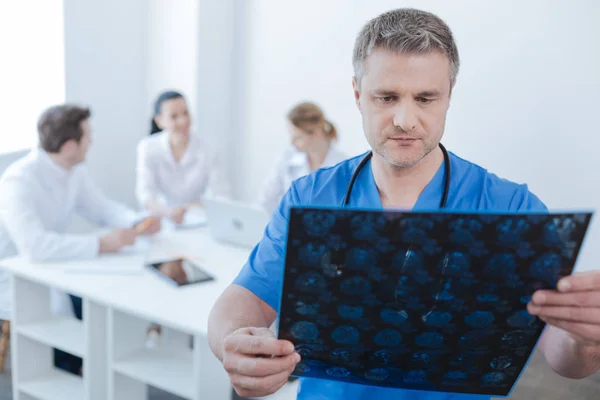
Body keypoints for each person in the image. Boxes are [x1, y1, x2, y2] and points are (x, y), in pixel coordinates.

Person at [207, 8, 600, 400]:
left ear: (449, 96)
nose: (405, 119)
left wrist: (585, 337)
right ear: (358, 94)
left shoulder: (512, 209)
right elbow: (245, 299)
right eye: (387, 97)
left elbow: (565, 360)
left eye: (425, 98)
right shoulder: (310, 197)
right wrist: (233, 342)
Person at [0, 104, 161, 374]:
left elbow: (102, 209)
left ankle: (105, 369)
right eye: (88, 137)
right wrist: (102, 244)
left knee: (108, 298)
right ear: (69, 145)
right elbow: (34, 247)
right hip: (12, 273)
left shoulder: (74, 170)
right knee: (67, 315)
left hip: (52, 265)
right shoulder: (18, 180)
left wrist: (136, 222)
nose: (91, 143)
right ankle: (72, 371)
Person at [136, 90, 231, 225]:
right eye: (174, 116)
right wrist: (167, 212)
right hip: (161, 220)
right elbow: (145, 194)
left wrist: (186, 209)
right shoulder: (147, 147)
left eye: (186, 113)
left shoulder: (208, 149)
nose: (183, 121)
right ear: (159, 121)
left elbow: (222, 196)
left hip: (198, 220)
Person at [257, 102, 348, 213]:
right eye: (292, 135)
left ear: (316, 133)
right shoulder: (287, 157)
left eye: (298, 137)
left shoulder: (343, 166)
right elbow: (265, 201)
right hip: (286, 226)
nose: (292, 142)